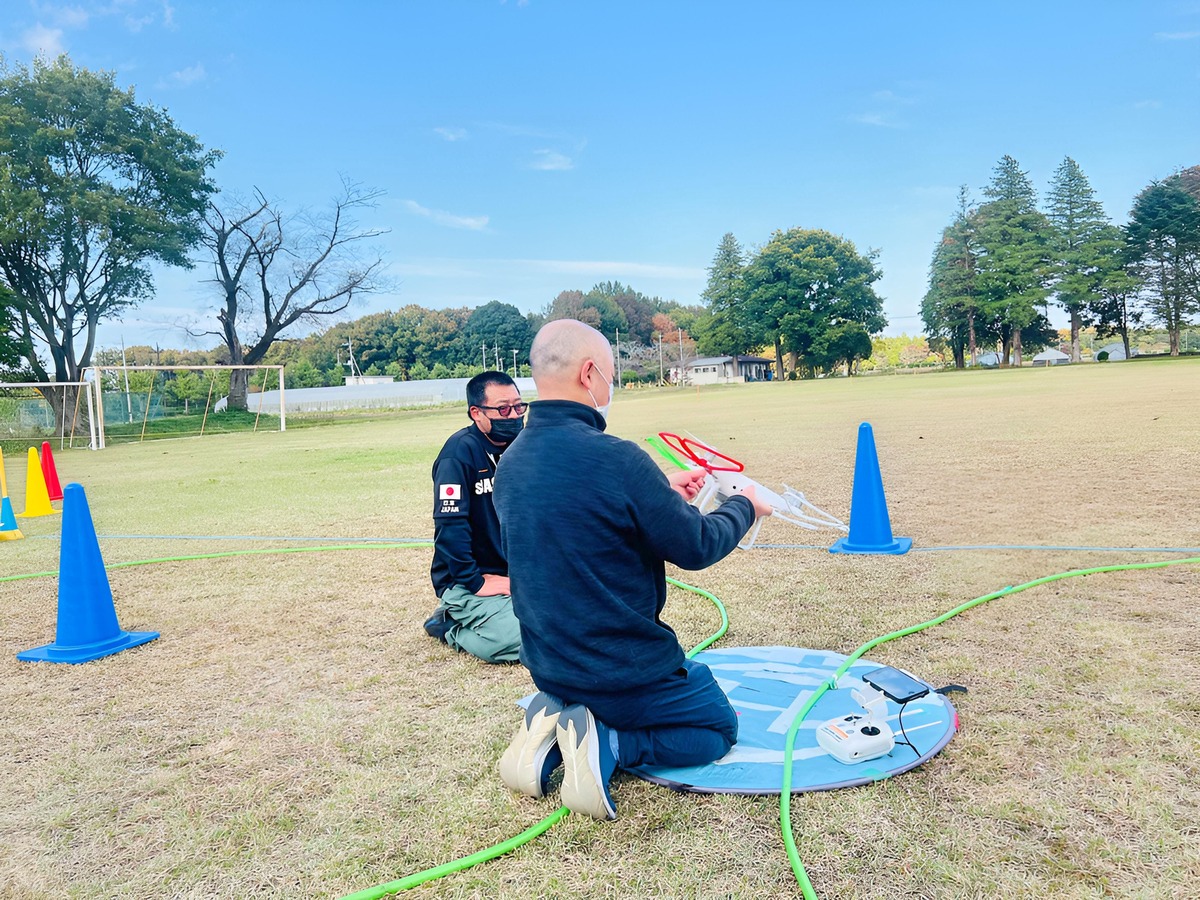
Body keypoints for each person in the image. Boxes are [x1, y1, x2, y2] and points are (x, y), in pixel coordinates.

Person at [492, 319, 772, 819]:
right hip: (621, 671)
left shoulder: (512, 462)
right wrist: (746, 505)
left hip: (549, 663)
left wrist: (658, 491)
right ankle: (611, 743)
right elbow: (697, 545)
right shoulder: (617, 459)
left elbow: (577, 514)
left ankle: (554, 723)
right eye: (612, 373)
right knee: (715, 727)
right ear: (591, 373)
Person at [425, 371, 527, 664]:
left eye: (519, 407)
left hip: (518, 574)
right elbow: (450, 527)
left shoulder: (524, 447)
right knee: (519, 639)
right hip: (470, 580)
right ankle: (450, 626)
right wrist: (476, 582)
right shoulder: (457, 455)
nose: (514, 416)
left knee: (578, 618)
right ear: (476, 413)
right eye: (504, 409)